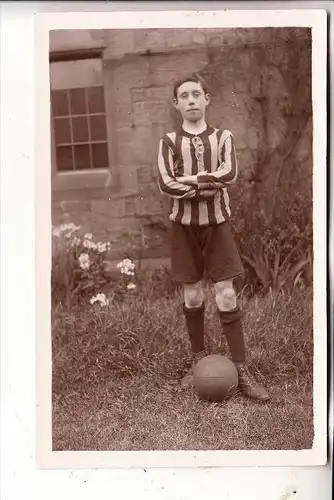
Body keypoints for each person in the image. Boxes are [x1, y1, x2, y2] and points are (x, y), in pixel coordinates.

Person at [157, 73, 269, 402]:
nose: (191, 100)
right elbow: (166, 183)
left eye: (196, 94)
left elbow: (230, 173)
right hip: (184, 227)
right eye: (184, 96)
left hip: (217, 224)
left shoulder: (223, 138)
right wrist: (207, 182)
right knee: (192, 297)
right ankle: (197, 362)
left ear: (207, 99)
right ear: (176, 104)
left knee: (227, 295)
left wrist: (189, 179)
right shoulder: (168, 142)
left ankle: (241, 369)